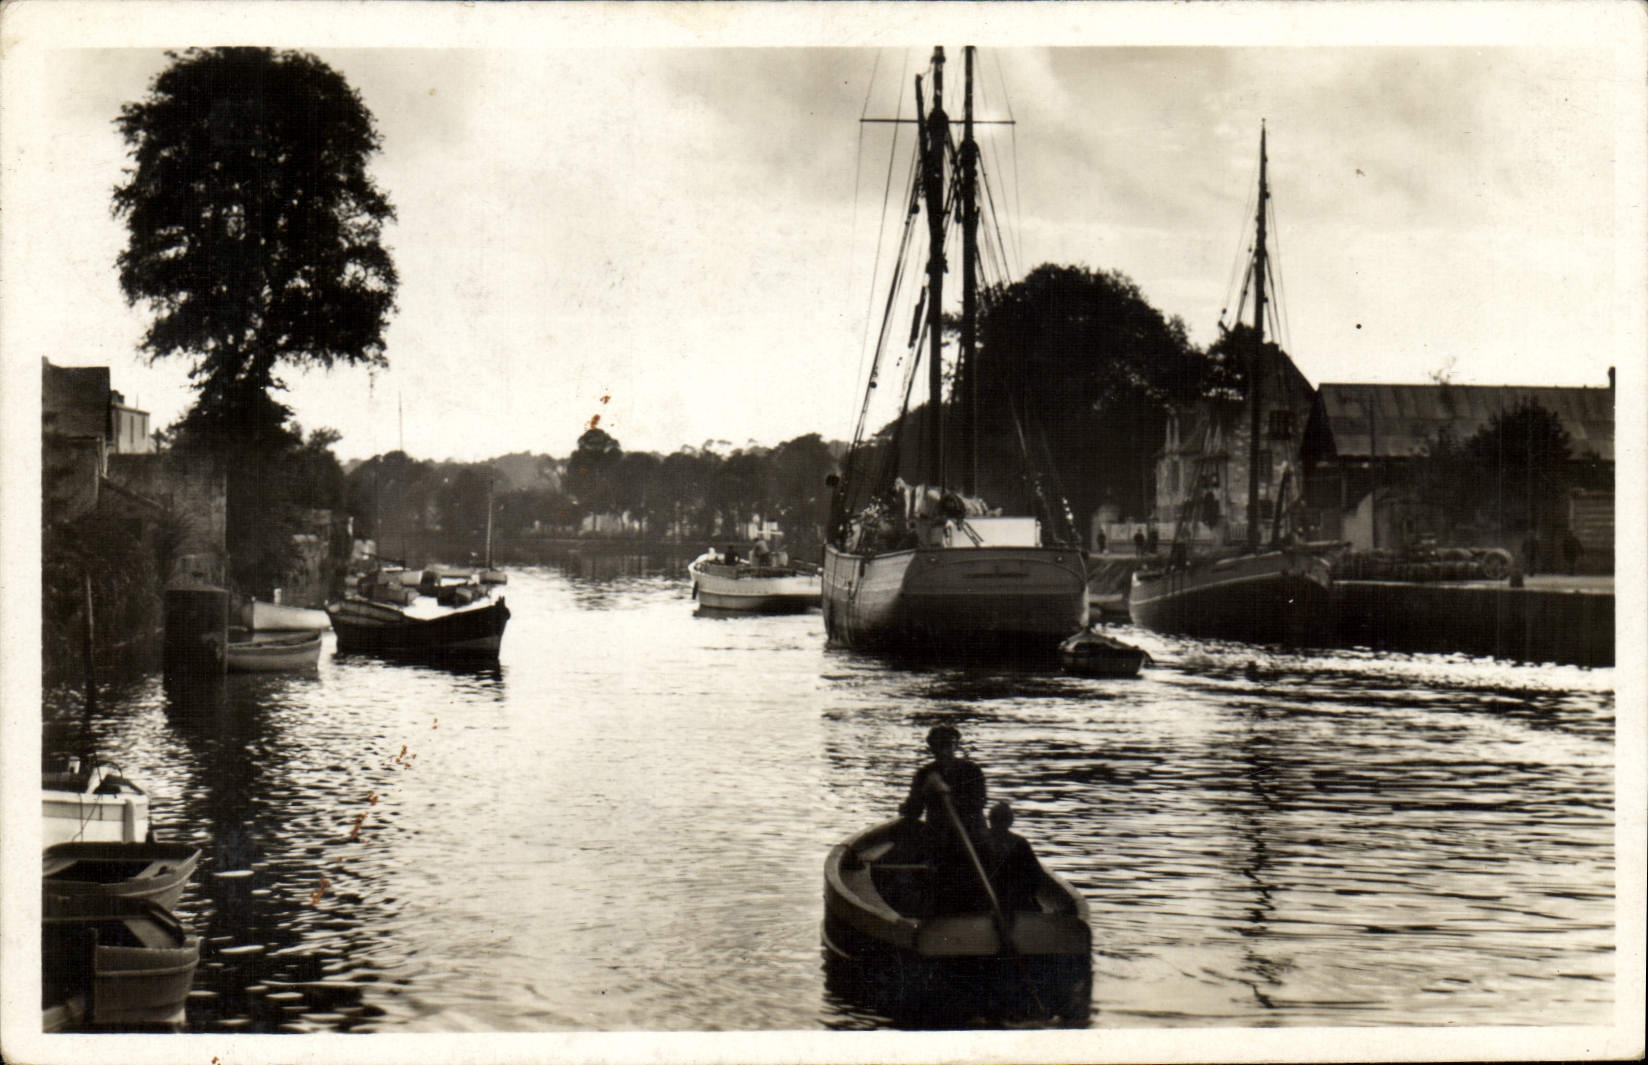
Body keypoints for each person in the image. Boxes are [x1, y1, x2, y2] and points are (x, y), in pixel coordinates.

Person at [900, 724, 987, 846]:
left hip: (970, 834)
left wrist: (948, 793)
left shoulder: (971, 771)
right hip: (939, 835)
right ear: (932, 749)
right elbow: (913, 811)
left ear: (956, 746)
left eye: (948, 746)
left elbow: (979, 803)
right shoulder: (924, 774)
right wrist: (924, 792)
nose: (944, 752)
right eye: (938, 747)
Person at [984, 801, 1045, 913]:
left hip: (987, 898)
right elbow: (1035, 875)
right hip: (1014, 899)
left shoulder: (978, 841)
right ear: (1010, 821)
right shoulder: (1020, 842)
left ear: (990, 820)